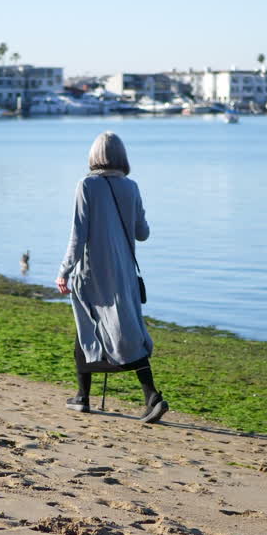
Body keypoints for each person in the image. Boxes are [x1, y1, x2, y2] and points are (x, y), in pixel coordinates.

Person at [56, 131, 168, 424]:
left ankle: (143, 396)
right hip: (125, 274)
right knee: (125, 332)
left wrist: (63, 270)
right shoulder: (131, 187)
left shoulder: (87, 185)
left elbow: (78, 236)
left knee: (90, 329)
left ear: (94, 156)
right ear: (121, 157)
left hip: (93, 274)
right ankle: (95, 396)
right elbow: (142, 233)